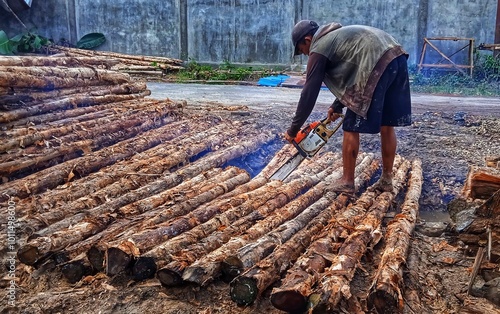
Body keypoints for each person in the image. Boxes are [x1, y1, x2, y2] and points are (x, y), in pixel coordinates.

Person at [284, 20, 412, 193]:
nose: (306, 54)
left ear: (307, 40)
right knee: (387, 124)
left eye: (302, 50)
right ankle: (387, 180)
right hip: (397, 57)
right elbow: (352, 73)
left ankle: (347, 182)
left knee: (350, 127)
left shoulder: (319, 47)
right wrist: (338, 105)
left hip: (375, 64)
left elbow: (309, 93)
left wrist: (293, 130)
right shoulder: (338, 36)